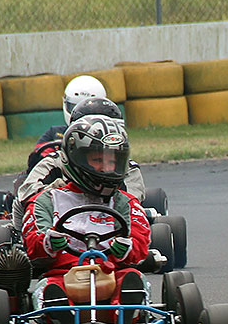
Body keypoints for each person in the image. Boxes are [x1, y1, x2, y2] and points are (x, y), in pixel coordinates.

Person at [22, 114, 151, 324]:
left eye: (112, 161)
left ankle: (125, 313)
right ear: (76, 158)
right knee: (50, 287)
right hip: (63, 274)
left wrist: (126, 248)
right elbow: (32, 243)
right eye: (97, 160)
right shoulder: (47, 199)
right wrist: (48, 242)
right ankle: (61, 314)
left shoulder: (125, 202)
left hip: (111, 270)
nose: (105, 168)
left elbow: (140, 242)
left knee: (131, 278)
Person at [11, 96, 146, 228]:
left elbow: (132, 203)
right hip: (58, 229)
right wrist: (60, 191)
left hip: (111, 227)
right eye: (97, 159)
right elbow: (26, 194)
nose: (105, 166)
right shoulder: (55, 162)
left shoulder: (126, 168)